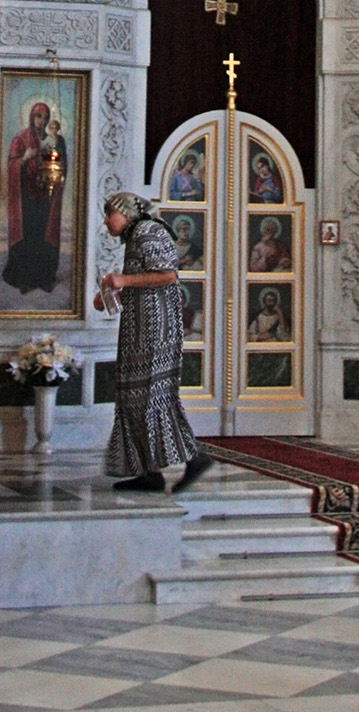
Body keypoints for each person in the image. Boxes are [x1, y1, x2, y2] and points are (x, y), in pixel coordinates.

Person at [96, 192, 212, 493]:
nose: (106, 221)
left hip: (156, 329)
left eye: (110, 214)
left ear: (126, 213)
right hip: (139, 327)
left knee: (152, 396)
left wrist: (124, 281)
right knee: (134, 396)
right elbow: (144, 280)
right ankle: (151, 472)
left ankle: (193, 459)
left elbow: (168, 276)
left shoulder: (148, 231)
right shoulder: (135, 236)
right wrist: (111, 294)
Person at [2, 101, 66, 293]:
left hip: (45, 195)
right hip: (26, 197)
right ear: (31, 117)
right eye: (38, 116)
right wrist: (25, 158)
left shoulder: (52, 139)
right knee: (28, 235)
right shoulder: (20, 139)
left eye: (45, 118)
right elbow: (11, 166)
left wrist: (56, 150)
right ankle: (25, 279)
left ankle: (44, 277)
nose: (42, 121)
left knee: (43, 235)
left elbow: (60, 164)